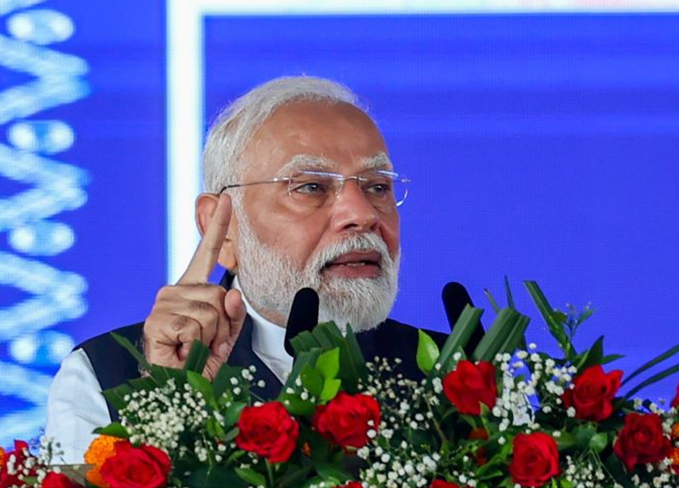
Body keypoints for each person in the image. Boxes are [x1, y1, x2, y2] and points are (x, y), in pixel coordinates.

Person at [45, 76, 481, 463]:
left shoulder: (464, 379)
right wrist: (169, 403)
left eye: (377, 187)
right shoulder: (103, 377)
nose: (362, 214)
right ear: (223, 229)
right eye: (311, 186)